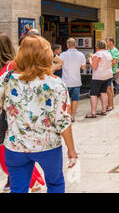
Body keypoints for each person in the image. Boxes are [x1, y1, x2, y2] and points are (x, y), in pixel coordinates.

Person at [0, 35, 77, 193]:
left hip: (15, 146)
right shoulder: (55, 83)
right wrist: (71, 149)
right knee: (55, 183)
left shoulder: (6, 79)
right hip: (47, 146)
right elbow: (63, 121)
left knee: (18, 188)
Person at [0, 32, 45, 192]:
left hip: (12, 119)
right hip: (10, 119)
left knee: (9, 155)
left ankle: (33, 181)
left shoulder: (12, 66)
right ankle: (19, 180)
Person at [60, 38, 87, 122]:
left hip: (65, 81)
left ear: (67, 45)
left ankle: (66, 115)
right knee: (75, 99)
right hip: (76, 81)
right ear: (75, 44)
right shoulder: (81, 55)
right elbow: (83, 67)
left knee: (65, 100)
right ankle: (73, 116)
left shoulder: (62, 55)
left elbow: (59, 66)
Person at [86, 40, 112, 118]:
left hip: (98, 76)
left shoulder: (98, 54)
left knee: (93, 94)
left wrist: (90, 59)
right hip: (107, 75)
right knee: (103, 92)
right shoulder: (108, 53)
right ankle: (104, 110)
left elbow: (94, 66)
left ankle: (93, 112)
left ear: (97, 46)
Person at [106, 38, 119, 112]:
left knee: (109, 89)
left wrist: (104, 64)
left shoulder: (115, 51)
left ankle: (110, 105)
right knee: (109, 88)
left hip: (111, 71)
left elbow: (114, 62)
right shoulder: (108, 50)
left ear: (111, 42)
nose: (106, 43)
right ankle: (110, 104)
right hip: (107, 71)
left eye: (107, 42)